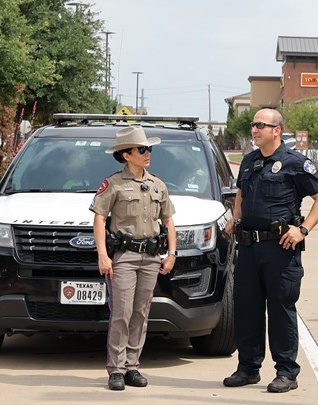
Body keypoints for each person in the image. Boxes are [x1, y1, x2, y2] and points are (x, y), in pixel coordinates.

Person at [222, 108, 318, 393]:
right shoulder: (249, 161)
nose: (254, 129)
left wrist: (302, 229)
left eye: (261, 125)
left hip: (280, 249)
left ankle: (286, 372)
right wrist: (236, 219)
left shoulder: (294, 162)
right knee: (247, 309)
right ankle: (248, 368)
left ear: (277, 130)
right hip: (248, 247)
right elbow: (241, 194)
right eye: (253, 125)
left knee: (281, 309)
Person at [90, 126, 177, 391]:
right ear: (126, 155)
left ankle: (132, 367)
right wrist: (103, 255)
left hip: (151, 257)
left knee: (141, 312)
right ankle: (116, 369)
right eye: (141, 149)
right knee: (122, 312)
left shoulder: (157, 184)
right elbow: (99, 218)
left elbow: (169, 219)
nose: (147, 153)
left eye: (148, 148)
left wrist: (172, 252)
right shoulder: (113, 184)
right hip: (124, 257)